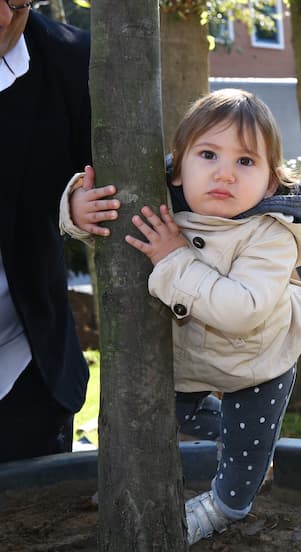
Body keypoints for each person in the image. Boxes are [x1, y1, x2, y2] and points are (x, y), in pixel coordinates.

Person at [62, 89, 301, 545]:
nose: (224, 172)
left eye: (246, 162)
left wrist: (175, 258)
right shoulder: (162, 203)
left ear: (271, 183)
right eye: (208, 154)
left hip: (258, 360)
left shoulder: (271, 236)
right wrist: (80, 213)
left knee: (246, 453)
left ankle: (227, 506)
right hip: (182, 361)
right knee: (161, 418)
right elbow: (112, 225)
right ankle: (138, 485)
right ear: (178, 166)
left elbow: (242, 310)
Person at [0, 2, 92, 462]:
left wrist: (74, 206)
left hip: (26, 368)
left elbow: (114, 190)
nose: (2, 17)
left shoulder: (70, 60)